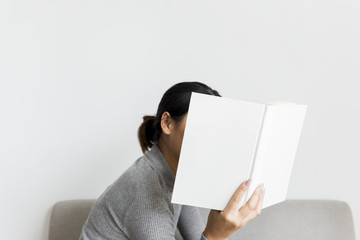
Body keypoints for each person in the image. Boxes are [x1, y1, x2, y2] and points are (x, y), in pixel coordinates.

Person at [79, 82, 265, 240]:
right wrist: (215, 235)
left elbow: (194, 235)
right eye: (201, 123)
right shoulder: (147, 193)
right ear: (167, 123)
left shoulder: (177, 176)